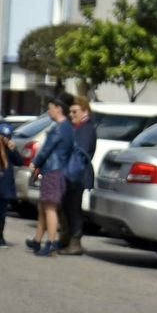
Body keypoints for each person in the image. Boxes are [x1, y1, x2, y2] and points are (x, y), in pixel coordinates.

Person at [29, 92, 76, 256]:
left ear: (58, 108)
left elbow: (46, 150)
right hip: (61, 171)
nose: (49, 111)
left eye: (50, 108)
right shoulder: (69, 128)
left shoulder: (58, 129)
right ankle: (38, 241)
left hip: (52, 171)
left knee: (50, 208)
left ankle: (51, 243)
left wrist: (35, 163)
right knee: (46, 206)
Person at [58, 95, 97, 256]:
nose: (71, 115)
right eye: (70, 112)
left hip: (76, 175)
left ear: (85, 111)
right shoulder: (76, 127)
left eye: (75, 111)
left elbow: (81, 153)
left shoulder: (86, 129)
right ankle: (66, 239)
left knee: (73, 209)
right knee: (65, 208)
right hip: (69, 173)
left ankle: (75, 242)